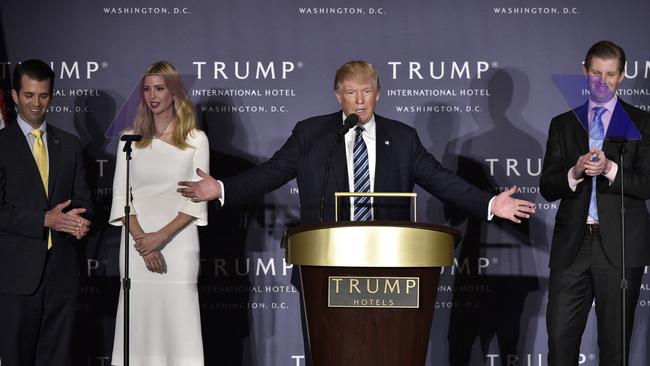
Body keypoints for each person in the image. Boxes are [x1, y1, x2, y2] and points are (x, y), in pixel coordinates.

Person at [178, 60, 534, 224]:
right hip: (323, 256)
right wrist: (222, 188)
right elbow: (271, 173)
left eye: (366, 92)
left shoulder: (403, 138)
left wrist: (489, 203)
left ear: (378, 94)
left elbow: (442, 181)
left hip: (388, 261)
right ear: (338, 96)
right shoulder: (311, 133)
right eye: (351, 93)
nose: (360, 101)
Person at [540, 40, 650, 365]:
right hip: (572, 247)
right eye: (596, 73)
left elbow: (647, 184)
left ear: (622, 76)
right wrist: (573, 171)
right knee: (560, 342)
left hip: (620, 247)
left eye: (610, 74)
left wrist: (610, 169)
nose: (603, 82)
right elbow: (547, 186)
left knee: (614, 349)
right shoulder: (563, 124)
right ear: (584, 72)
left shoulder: (642, 124)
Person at [109, 61, 208, 365]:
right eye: (147, 89)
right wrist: (143, 241)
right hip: (137, 249)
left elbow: (197, 198)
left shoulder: (195, 139)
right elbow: (120, 196)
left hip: (178, 248)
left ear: (174, 91)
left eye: (160, 88)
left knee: (178, 324)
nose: (153, 95)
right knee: (138, 324)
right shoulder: (129, 139)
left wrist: (160, 237)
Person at [0, 59, 92, 366]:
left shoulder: (69, 144)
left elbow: (84, 199)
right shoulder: (1, 145)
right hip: (15, 278)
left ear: (51, 96)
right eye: (28, 95)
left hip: (61, 274)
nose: (36, 103)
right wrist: (44, 219)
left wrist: (79, 220)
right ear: (14, 96)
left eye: (43, 95)